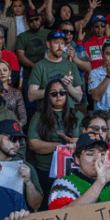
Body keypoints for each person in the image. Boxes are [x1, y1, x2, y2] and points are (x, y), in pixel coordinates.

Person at [28, 79, 84, 208]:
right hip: (45, 171)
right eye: (54, 94)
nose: (58, 96)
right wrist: (61, 147)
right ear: (48, 96)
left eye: (62, 93)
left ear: (67, 95)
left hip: (73, 172)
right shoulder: (38, 116)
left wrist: (75, 142)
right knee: (47, 210)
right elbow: (33, 144)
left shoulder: (78, 115)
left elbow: (84, 141)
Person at [0, 120, 43, 211]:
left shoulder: (26, 167)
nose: (17, 144)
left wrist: (28, 182)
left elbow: (36, 205)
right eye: (12, 139)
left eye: (19, 140)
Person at [27, 29, 83, 108]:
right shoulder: (39, 66)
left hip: (68, 115)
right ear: (48, 44)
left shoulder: (71, 66)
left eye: (62, 43)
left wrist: (68, 86)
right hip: (46, 115)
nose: (60, 46)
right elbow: (31, 96)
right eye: (56, 43)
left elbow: (79, 97)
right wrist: (55, 87)